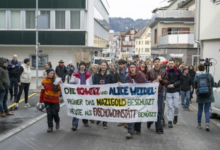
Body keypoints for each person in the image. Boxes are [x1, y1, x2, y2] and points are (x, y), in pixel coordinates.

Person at [146, 58, 169, 134]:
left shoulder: (163, 72)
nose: (157, 63)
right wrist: (152, 82)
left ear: (160, 64)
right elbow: (146, 81)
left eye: (158, 62)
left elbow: (166, 82)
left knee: (159, 110)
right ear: (153, 63)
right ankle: (149, 121)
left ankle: (159, 128)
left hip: (159, 92)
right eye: (155, 62)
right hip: (151, 93)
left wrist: (161, 79)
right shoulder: (149, 71)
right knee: (151, 109)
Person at [126, 62, 147, 139]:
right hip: (130, 99)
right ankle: (130, 132)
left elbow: (146, 83)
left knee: (138, 114)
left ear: (136, 68)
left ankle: (137, 129)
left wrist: (153, 84)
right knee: (130, 114)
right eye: (130, 67)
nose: (132, 68)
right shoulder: (127, 76)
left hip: (139, 98)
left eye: (133, 67)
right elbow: (124, 85)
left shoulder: (140, 75)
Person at [71, 61, 93, 131]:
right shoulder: (74, 74)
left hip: (86, 94)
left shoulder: (89, 75)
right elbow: (71, 83)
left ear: (85, 67)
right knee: (77, 108)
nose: (82, 66)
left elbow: (91, 84)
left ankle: (85, 121)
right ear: (79, 66)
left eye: (84, 65)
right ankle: (75, 124)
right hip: (78, 95)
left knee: (85, 107)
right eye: (81, 65)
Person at [93, 60, 115, 129]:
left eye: (104, 65)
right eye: (102, 65)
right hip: (98, 94)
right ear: (100, 66)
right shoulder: (96, 74)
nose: (103, 66)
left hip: (106, 94)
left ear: (106, 66)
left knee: (105, 108)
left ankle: (105, 122)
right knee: (99, 107)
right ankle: (99, 118)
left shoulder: (110, 74)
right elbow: (93, 84)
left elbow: (113, 83)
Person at [39, 68, 62, 132]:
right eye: (50, 73)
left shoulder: (56, 80)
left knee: (55, 113)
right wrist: (40, 101)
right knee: (49, 113)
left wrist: (59, 83)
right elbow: (42, 92)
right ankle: (50, 126)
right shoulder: (44, 81)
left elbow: (60, 89)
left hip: (55, 100)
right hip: (47, 100)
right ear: (48, 73)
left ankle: (57, 121)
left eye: (53, 73)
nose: (52, 74)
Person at [194, 64, 215, 131]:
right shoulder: (209, 75)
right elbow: (213, 84)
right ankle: (207, 124)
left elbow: (194, 86)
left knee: (200, 110)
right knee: (207, 110)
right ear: (205, 68)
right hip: (208, 95)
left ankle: (199, 124)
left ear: (198, 69)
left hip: (200, 95)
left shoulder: (197, 76)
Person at [166, 59, 181, 128]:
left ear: (174, 64)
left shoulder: (178, 71)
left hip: (175, 90)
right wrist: (167, 85)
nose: (171, 64)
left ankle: (175, 115)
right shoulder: (166, 72)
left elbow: (180, 80)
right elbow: (164, 80)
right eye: (170, 63)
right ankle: (169, 120)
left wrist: (174, 85)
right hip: (168, 91)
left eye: (172, 63)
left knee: (176, 106)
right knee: (169, 106)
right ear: (168, 64)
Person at [117, 59, 128, 128]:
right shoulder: (117, 71)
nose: (120, 65)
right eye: (119, 64)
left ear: (124, 64)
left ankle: (126, 121)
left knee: (126, 105)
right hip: (119, 89)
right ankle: (122, 120)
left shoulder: (127, 71)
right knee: (121, 105)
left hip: (126, 89)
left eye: (122, 64)